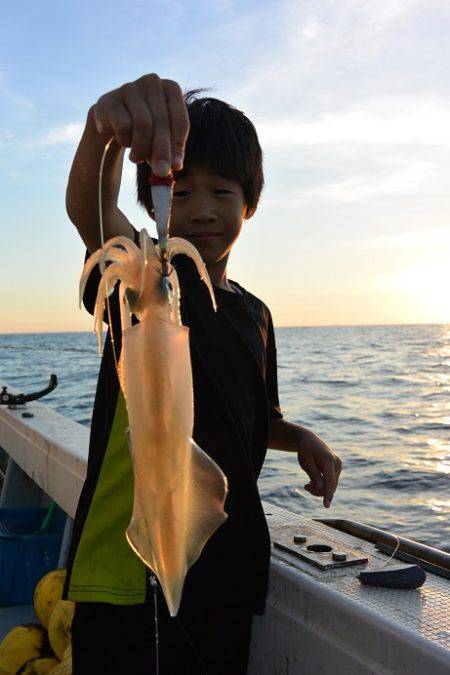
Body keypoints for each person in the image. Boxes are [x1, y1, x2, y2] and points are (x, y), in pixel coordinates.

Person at [61, 73, 342, 674]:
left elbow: (257, 418)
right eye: (181, 194)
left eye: (221, 191)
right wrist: (102, 133)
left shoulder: (254, 314)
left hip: (227, 566)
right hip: (126, 573)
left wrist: (301, 439)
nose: (203, 211)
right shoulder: (146, 285)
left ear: (251, 203)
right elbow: (90, 212)